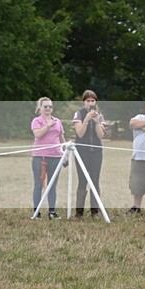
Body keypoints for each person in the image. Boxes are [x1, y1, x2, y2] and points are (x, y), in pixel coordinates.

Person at [71, 90, 105, 219]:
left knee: (95, 180)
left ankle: (94, 212)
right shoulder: (79, 114)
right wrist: (86, 119)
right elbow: (79, 133)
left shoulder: (99, 115)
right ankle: (79, 213)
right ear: (84, 102)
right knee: (82, 180)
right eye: (88, 100)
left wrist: (96, 122)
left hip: (96, 152)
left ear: (96, 102)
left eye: (93, 100)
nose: (90, 103)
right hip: (81, 152)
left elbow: (101, 135)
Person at [31, 97, 66, 219]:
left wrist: (65, 153)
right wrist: (48, 125)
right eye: (45, 106)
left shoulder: (57, 121)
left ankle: (52, 212)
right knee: (38, 184)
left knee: (52, 185)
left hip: (56, 156)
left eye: (50, 106)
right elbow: (38, 134)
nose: (48, 109)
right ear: (40, 108)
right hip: (40, 157)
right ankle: (37, 212)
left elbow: (61, 138)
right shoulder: (37, 121)